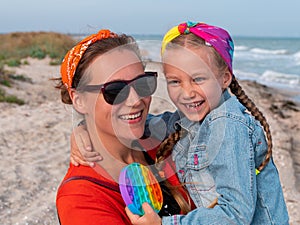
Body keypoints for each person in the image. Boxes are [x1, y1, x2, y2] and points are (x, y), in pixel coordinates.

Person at [72, 22, 289, 225]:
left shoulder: (229, 126)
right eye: (175, 81)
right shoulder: (191, 117)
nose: (187, 93)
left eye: (198, 79)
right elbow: (142, 122)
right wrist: (84, 129)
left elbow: (236, 213)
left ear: (225, 78)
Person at [55, 29, 193, 225]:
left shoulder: (160, 140)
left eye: (142, 84)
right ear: (79, 100)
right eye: (115, 90)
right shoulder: (81, 199)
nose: (135, 100)